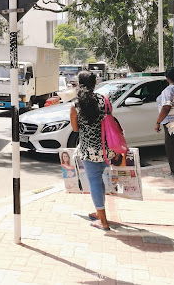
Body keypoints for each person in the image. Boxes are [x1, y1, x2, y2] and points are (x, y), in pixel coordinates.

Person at [69, 71, 114, 231]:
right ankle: (98, 212)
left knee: (94, 182)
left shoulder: (76, 104)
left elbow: (75, 128)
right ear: (95, 84)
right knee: (99, 181)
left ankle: (103, 221)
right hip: (106, 148)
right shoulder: (104, 100)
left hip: (89, 150)